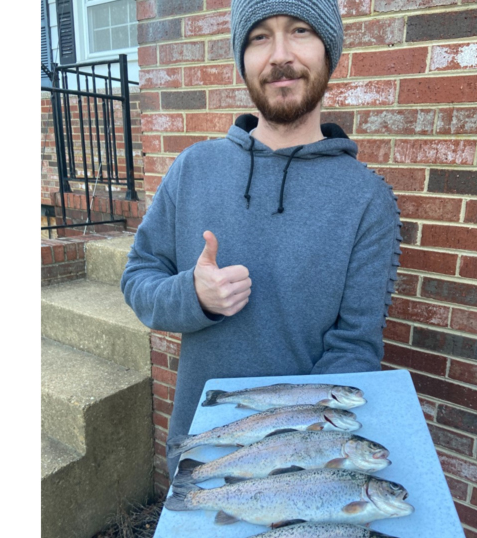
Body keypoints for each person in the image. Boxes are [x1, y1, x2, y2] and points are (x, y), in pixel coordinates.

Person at [121, 0, 402, 479]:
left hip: (303, 464)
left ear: (328, 51)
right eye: (259, 37)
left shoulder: (367, 198)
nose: (280, 54)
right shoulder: (194, 169)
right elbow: (138, 281)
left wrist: (298, 456)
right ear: (243, 58)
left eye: (299, 31)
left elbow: (355, 346)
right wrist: (194, 296)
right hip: (203, 448)